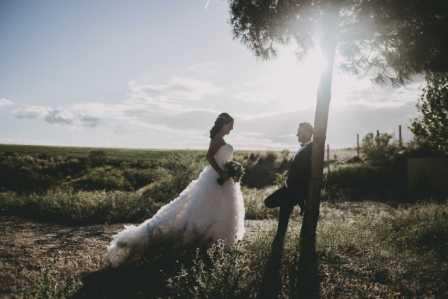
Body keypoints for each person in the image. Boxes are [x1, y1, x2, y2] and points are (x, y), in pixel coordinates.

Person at [105, 113, 245, 268]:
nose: (232, 128)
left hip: (226, 181)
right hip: (215, 178)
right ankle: (198, 241)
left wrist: (233, 168)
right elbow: (210, 157)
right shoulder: (217, 140)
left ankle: (220, 244)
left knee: (224, 210)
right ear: (224, 124)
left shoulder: (223, 141)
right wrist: (221, 172)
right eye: (230, 125)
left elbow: (223, 158)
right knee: (203, 209)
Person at [264, 122, 313, 244]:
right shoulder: (304, 148)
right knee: (282, 212)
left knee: (270, 202)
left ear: (307, 132)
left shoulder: (310, 148)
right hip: (290, 188)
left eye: (300, 132)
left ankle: (279, 240)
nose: (297, 135)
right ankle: (279, 240)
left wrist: (300, 194)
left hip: (294, 190)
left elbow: (305, 173)